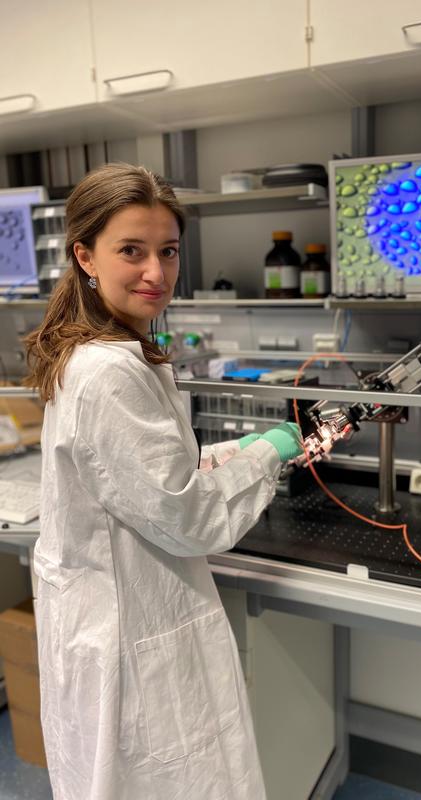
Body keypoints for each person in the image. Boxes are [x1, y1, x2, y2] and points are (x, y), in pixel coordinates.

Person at [23, 163, 304, 800]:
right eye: (132, 251)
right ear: (85, 256)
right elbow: (189, 519)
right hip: (133, 634)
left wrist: (252, 446)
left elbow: (151, 479)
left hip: (110, 619)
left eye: (168, 251)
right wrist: (268, 456)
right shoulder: (107, 372)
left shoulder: (103, 350)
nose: (156, 272)